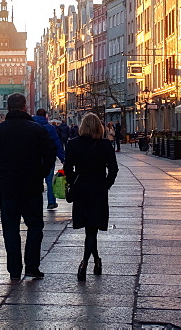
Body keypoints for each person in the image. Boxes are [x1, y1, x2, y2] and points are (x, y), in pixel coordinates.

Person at [0, 93, 56, 281]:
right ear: (24, 107)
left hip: (8, 187)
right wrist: (39, 174)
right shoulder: (37, 130)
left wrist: (2, 174)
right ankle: (32, 266)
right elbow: (49, 155)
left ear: (8, 108)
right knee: (35, 227)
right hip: (32, 187)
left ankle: (14, 269)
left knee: (10, 229)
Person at [65, 112, 118, 281]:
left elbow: (68, 169)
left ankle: (92, 261)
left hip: (81, 190)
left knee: (89, 229)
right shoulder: (105, 145)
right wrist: (106, 184)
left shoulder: (73, 144)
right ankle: (87, 262)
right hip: (98, 191)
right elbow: (114, 169)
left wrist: (75, 182)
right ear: (99, 127)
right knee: (92, 229)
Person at [33, 109, 65, 210]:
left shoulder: (31, 127)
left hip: (34, 158)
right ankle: (51, 202)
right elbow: (57, 143)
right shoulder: (50, 128)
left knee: (35, 181)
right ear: (45, 116)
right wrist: (62, 158)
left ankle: (35, 203)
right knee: (50, 180)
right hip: (48, 158)